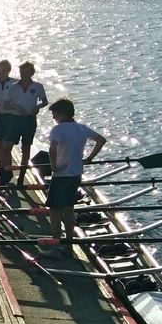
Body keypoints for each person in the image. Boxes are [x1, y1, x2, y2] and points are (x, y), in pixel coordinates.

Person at [43, 98, 106, 249]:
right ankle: (69, 241)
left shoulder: (58, 129)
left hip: (61, 175)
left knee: (55, 210)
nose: (53, 118)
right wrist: (89, 158)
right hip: (76, 174)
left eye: (55, 114)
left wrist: (53, 166)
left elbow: (52, 148)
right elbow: (101, 140)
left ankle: (56, 242)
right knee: (69, 208)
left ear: (63, 114)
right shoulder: (82, 128)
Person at [2, 62, 49, 188]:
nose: (24, 74)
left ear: (31, 73)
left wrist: (38, 107)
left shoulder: (37, 86)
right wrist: (16, 106)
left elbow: (45, 102)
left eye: (27, 72)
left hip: (29, 119)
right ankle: (7, 173)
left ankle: (22, 177)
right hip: (15, 119)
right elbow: (5, 104)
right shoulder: (13, 87)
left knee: (26, 148)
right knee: (6, 147)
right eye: (22, 71)